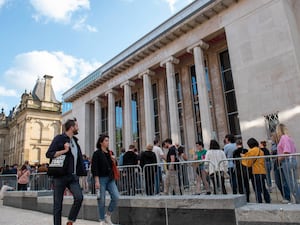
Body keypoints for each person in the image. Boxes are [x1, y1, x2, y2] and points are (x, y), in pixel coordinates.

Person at [46, 118, 87, 225]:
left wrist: (82, 174)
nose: (78, 128)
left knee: (79, 197)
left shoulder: (75, 141)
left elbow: (79, 160)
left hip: (72, 177)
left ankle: (70, 221)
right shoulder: (59, 138)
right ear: (72, 127)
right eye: (77, 126)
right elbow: (49, 154)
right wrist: (64, 151)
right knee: (58, 205)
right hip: (60, 176)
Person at [91, 134, 120, 225]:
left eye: (108, 140)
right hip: (101, 178)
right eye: (106, 140)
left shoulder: (110, 153)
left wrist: (114, 160)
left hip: (110, 178)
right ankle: (102, 219)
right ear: (101, 142)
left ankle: (108, 215)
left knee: (116, 197)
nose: (108, 142)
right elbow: (94, 168)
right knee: (101, 200)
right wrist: (96, 181)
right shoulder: (97, 154)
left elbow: (114, 166)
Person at [276, 123, 300, 203]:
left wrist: (279, 158)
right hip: (291, 161)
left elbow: (287, 152)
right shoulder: (289, 138)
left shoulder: (284, 138)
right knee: (293, 183)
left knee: (292, 184)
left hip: (287, 162)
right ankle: (297, 200)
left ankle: (298, 201)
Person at [242, 138, 271, 203]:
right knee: (263, 188)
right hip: (262, 171)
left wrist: (243, 158)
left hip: (255, 171)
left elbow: (248, 163)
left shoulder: (252, 151)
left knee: (257, 189)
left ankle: (259, 202)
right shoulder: (261, 151)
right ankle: (268, 201)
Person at [271, 132, 291, 203]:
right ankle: (284, 196)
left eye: (272, 136)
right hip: (275, 164)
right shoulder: (273, 145)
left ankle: (287, 197)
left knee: (284, 182)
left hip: (282, 164)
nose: (271, 138)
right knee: (278, 182)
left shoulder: (281, 142)